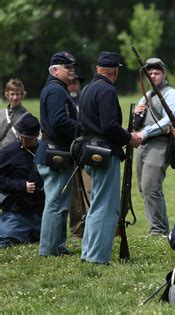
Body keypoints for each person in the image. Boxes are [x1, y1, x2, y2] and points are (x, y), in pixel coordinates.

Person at [80, 51, 142, 264]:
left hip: (91, 150)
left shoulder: (88, 88)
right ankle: (97, 257)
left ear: (98, 69)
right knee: (106, 207)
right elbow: (108, 126)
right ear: (115, 71)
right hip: (104, 152)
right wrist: (129, 138)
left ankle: (88, 253)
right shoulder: (106, 90)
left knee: (97, 204)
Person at [36, 51, 79, 257]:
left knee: (60, 204)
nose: (71, 70)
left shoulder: (56, 89)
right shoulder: (56, 91)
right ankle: (48, 249)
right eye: (67, 67)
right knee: (55, 204)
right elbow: (59, 121)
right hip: (55, 153)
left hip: (56, 152)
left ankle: (58, 246)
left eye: (72, 67)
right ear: (55, 70)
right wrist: (83, 129)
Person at [133, 57, 175, 236]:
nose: (153, 76)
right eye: (150, 73)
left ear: (164, 74)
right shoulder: (147, 95)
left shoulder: (172, 94)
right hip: (143, 145)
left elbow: (169, 120)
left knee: (151, 187)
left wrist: (145, 132)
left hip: (160, 143)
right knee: (142, 187)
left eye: (157, 73)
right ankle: (158, 227)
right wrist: (136, 113)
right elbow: (138, 117)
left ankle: (159, 230)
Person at [0, 114, 44, 248]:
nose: (24, 141)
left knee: (44, 239)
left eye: (28, 138)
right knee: (6, 240)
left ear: (37, 135)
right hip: (17, 210)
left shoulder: (45, 149)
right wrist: (21, 186)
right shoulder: (8, 152)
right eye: (21, 136)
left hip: (41, 209)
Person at [67, 73, 90, 238]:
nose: (73, 86)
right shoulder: (63, 102)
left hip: (86, 148)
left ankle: (91, 228)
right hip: (68, 150)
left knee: (89, 189)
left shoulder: (85, 100)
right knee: (74, 193)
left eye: (75, 83)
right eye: (70, 83)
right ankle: (76, 230)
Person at [0, 79, 29, 149]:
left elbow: (12, 140)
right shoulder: (1, 113)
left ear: (22, 95)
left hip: (14, 154)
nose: (15, 97)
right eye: (12, 94)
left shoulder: (26, 116)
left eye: (17, 94)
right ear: (7, 94)